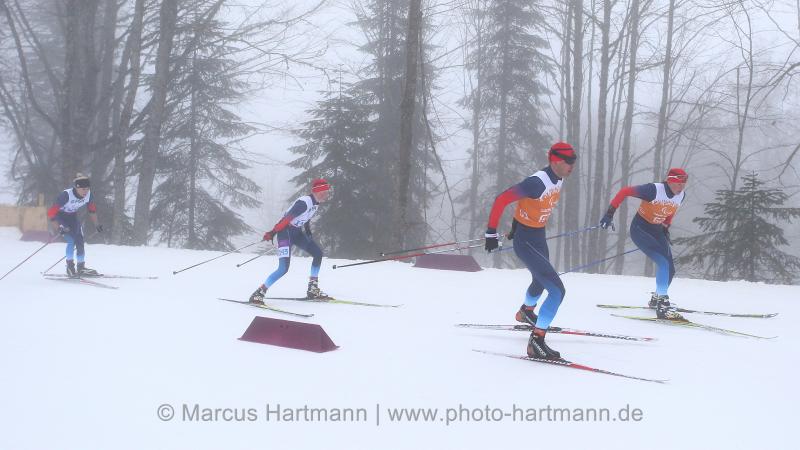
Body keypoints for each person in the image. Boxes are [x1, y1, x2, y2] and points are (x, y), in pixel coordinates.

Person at [484, 142, 577, 360]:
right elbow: (502, 199)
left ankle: (525, 312)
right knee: (557, 290)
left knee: (540, 280)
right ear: (555, 161)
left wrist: (516, 224)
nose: (572, 165)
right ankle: (536, 341)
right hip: (526, 241)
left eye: (574, 161)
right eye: (568, 162)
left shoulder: (559, 177)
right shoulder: (537, 182)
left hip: (537, 235)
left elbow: (527, 206)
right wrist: (491, 232)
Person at [599, 168, 688, 320]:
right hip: (640, 229)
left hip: (657, 230)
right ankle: (663, 304)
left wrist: (666, 225)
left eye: (684, 183)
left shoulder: (681, 195)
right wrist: (609, 213)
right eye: (679, 183)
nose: (682, 187)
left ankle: (657, 298)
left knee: (670, 269)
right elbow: (625, 191)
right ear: (670, 180)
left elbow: (672, 209)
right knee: (663, 263)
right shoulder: (653, 190)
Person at [249, 179, 332, 304]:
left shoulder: (315, 203)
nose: (325, 195)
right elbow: (286, 220)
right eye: (323, 192)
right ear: (316, 192)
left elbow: (306, 218)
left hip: (297, 233)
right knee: (283, 268)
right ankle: (258, 293)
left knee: (317, 254)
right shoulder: (304, 203)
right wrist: (272, 232)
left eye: (327, 192)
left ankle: (312, 289)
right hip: (285, 233)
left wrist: (308, 232)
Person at [47, 173, 103, 277]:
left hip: (72, 217)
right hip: (60, 217)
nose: (85, 192)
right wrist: (59, 227)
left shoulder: (89, 195)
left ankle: (81, 268)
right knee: (71, 240)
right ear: (76, 188)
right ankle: (70, 267)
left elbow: (92, 210)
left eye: (87, 189)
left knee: (80, 240)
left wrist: (97, 225)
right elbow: (51, 213)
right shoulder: (66, 195)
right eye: (83, 189)